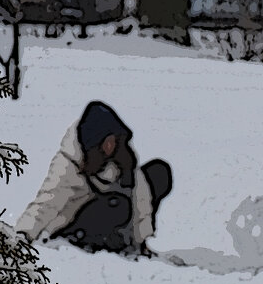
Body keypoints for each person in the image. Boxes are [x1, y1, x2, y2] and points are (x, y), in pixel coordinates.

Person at [17, 101, 172, 255]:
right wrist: (24, 233)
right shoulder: (69, 162)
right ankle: (98, 246)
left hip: (115, 217)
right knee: (116, 205)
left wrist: (141, 241)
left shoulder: (124, 155)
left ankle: (122, 240)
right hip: (74, 224)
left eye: (113, 140)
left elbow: (141, 197)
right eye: (106, 141)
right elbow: (48, 201)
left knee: (157, 172)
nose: (110, 146)